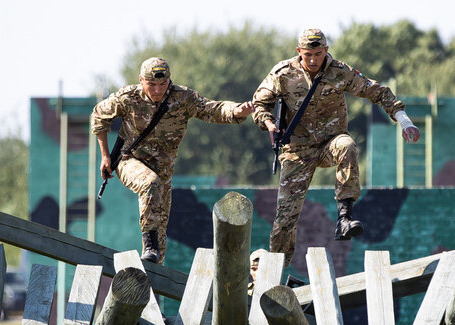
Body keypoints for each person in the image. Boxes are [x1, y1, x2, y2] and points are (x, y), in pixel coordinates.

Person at [252, 28, 421, 266]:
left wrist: (404, 121)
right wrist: (267, 122)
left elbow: (377, 91)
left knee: (347, 145)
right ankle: (276, 270)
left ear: (326, 51)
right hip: (297, 150)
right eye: (307, 54)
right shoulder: (283, 73)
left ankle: (344, 218)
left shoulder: (340, 72)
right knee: (284, 220)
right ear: (298, 52)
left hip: (331, 142)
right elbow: (259, 103)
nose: (312, 60)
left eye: (318, 54)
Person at [91, 57, 254, 264]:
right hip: (129, 159)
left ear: (169, 81)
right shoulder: (128, 97)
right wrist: (105, 156)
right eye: (152, 85)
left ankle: (152, 278)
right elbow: (98, 116)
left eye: (163, 84)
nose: (158, 91)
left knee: (159, 239)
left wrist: (237, 110)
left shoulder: (182, 98)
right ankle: (148, 245)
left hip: (163, 170)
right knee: (149, 183)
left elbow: (211, 109)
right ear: (141, 81)